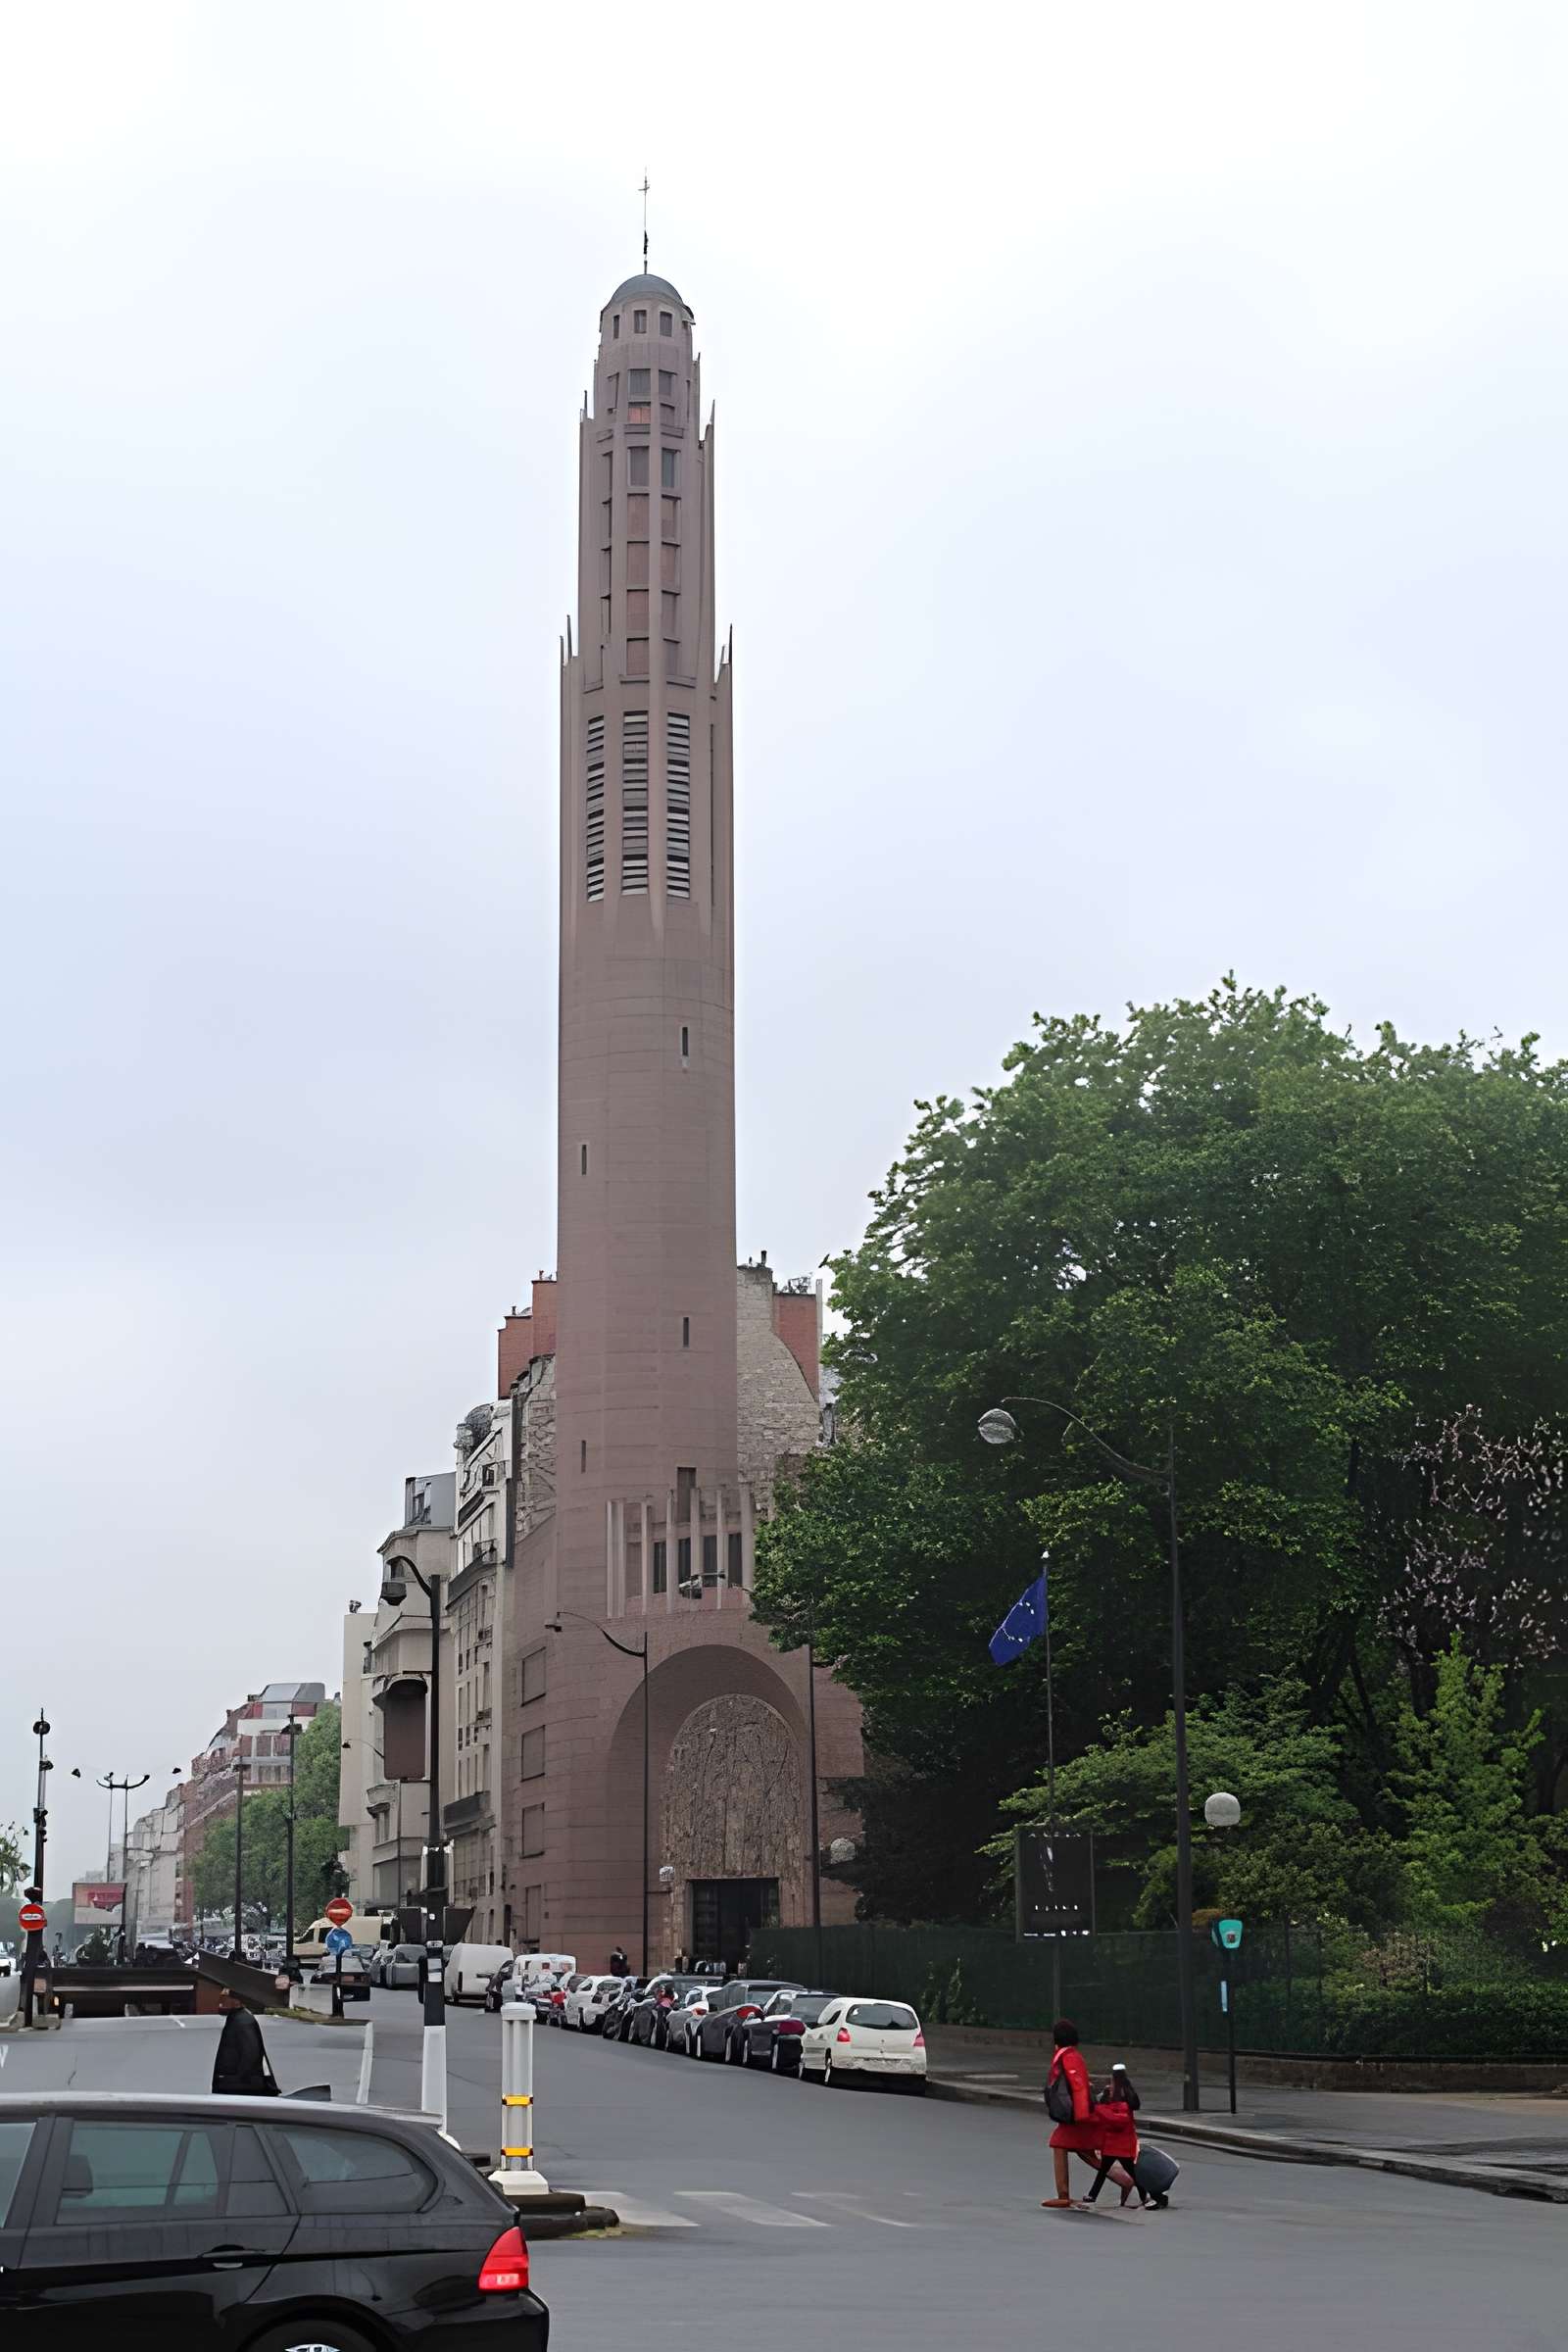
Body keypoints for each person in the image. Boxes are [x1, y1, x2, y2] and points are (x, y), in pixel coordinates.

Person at [1043, 2017, 1099, 2207]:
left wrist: (1080, 2116)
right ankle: (1128, 2181)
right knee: (1087, 2153)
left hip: (1077, 2117)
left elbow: (1078, 2087)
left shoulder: (1068, 2057)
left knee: (1059, 2143)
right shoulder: (1071, 2055)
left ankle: (1063, 2195)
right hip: (1078, 2116)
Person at [1082, 2063, 1142, 2206]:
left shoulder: (1120, 2094)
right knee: (1107, 2170)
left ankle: (1146, 2195)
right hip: (1119, 2140)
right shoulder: (1125, 2091)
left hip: (1117, 2139)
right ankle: (1093, 2195)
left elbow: (1104, 2109)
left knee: (1108, 2170)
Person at [211, 2002, 279, 2096]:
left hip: (239, 2082)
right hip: (241, 2080)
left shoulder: (242, 2020)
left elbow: (250, 2052)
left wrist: (242, 2076)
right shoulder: (242, 2018)